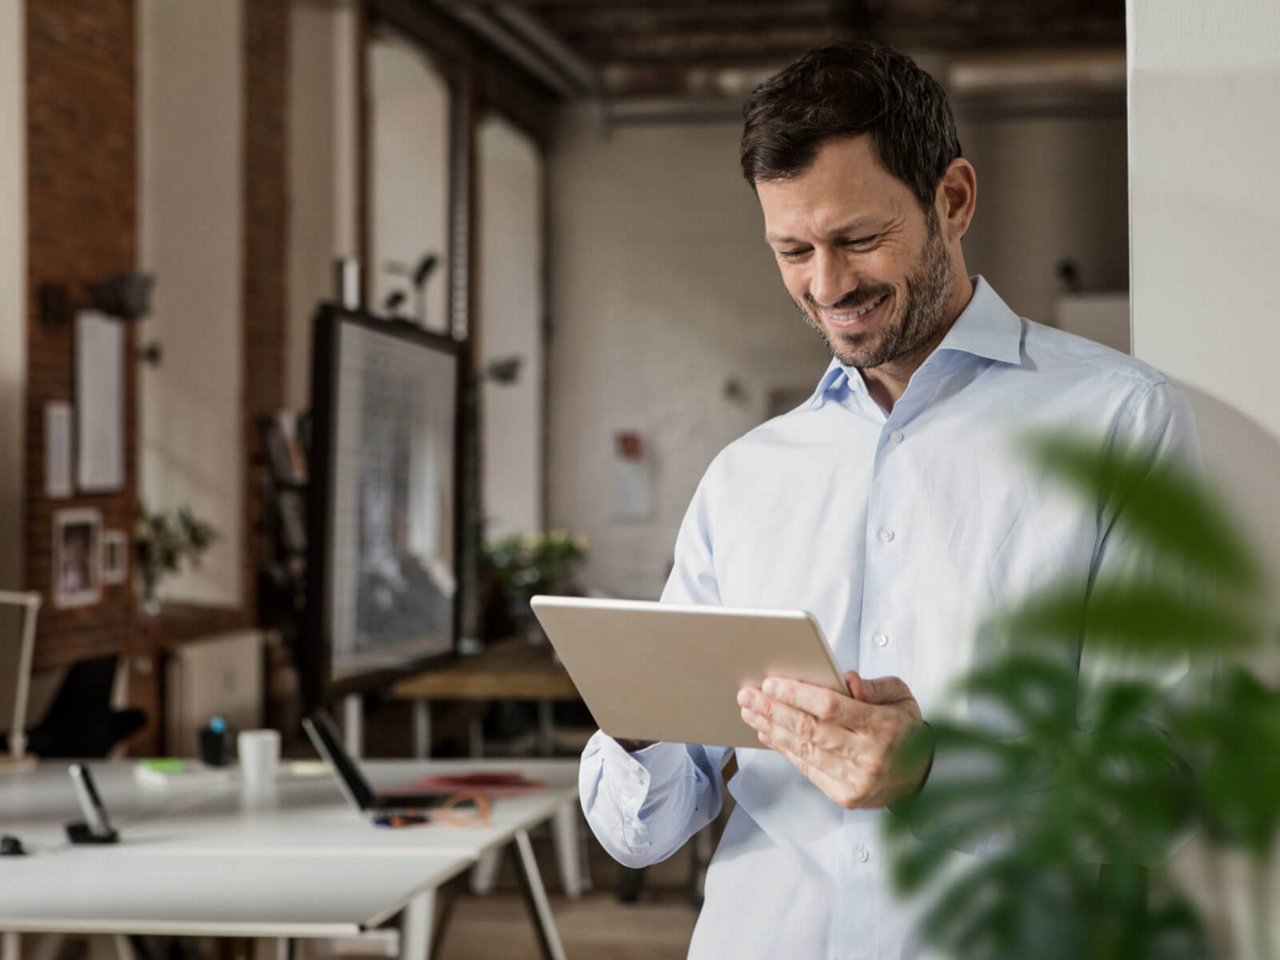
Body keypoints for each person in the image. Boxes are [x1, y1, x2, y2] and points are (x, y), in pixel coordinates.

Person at [578, 40, 1199, 959]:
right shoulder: (748, 477)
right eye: (792, 250)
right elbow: (646, 830)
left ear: (953, 199)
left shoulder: (1118, 424)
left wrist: (938, 773)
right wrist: (636, 723)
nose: (827, 287)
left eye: (859, 239)